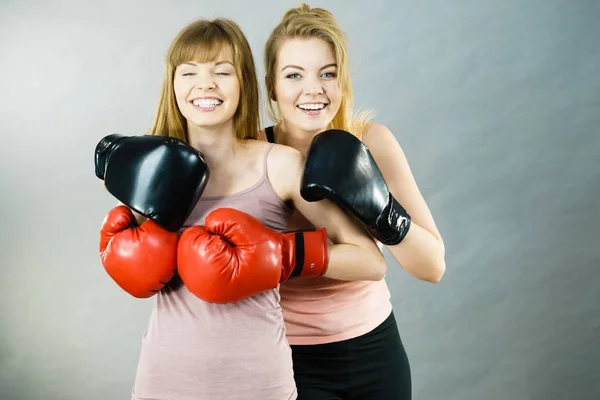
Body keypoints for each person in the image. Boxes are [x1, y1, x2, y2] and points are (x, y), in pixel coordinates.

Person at [95, 17, 388, 400]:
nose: (205, 84)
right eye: (189, 73)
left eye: (222, 71)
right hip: (164, 381)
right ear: (173, 85)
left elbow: (371, 261)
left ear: (243, 83)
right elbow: (136, 265)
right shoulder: (150, 167)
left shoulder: (279, 165)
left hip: (260, 385)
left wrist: (284, 254)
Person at [261, 3, 447, 399]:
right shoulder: (255, 153)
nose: (313, 89)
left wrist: (382, 210)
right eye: (294, 75)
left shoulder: (371, 141)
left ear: (343, 82)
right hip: (288, 360)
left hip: (375, 351)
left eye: (327, 74)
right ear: (271, 86)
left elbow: (432, 266)